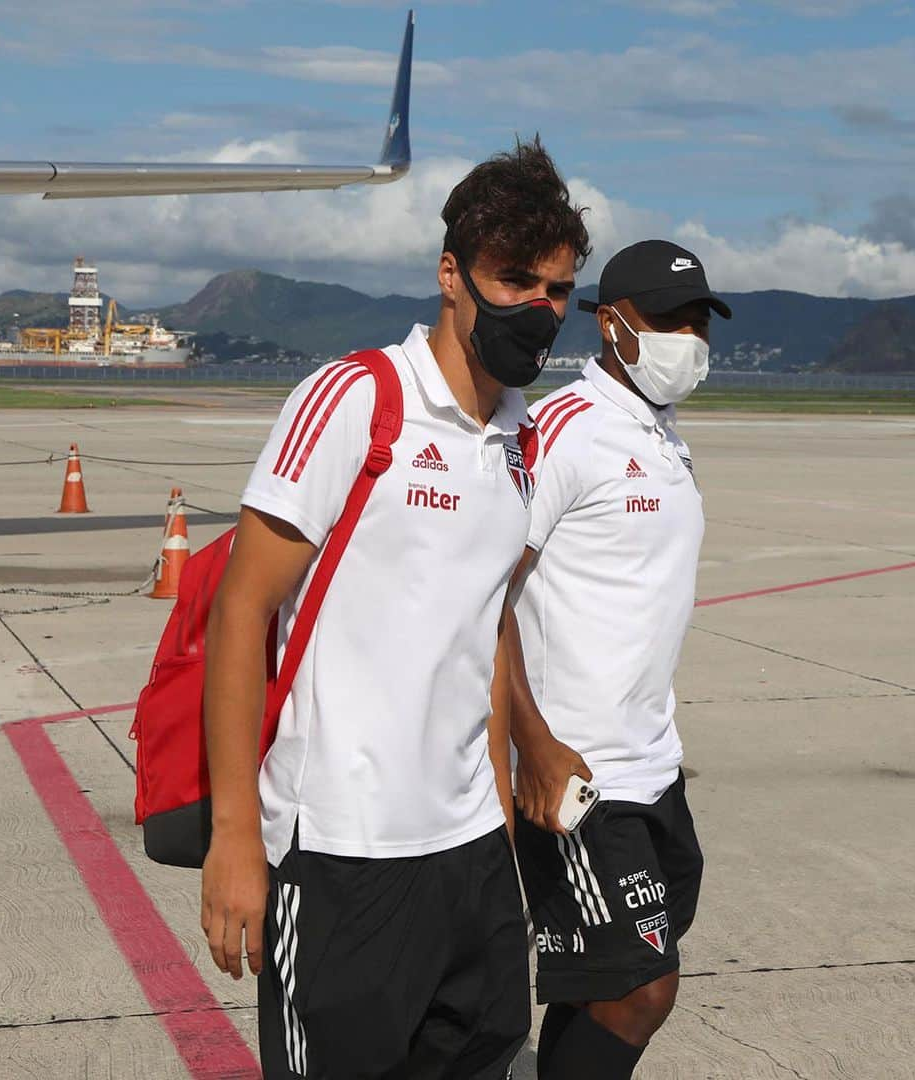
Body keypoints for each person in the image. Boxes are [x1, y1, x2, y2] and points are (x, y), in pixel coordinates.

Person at [199, 137, 590, 1079]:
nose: (539, 310)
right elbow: (240, 611)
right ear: (451, 276)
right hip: (340, 853)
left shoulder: (522, 439)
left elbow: (484, 634)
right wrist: (235, 838)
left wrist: (498, 831)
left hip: (469, 858)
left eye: (558, 289)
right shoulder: (355, 400)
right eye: (514, 281)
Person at [507, 240, 732, 1079]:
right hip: (578, 772)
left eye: (700, 321)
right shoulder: (562, 430)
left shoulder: (663, 437)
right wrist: (532, 746)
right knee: (643, 988)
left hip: (652, 767)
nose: (690, 336)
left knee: (599, 986)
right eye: (670, 319)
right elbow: (489, 594)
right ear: (611, 324)